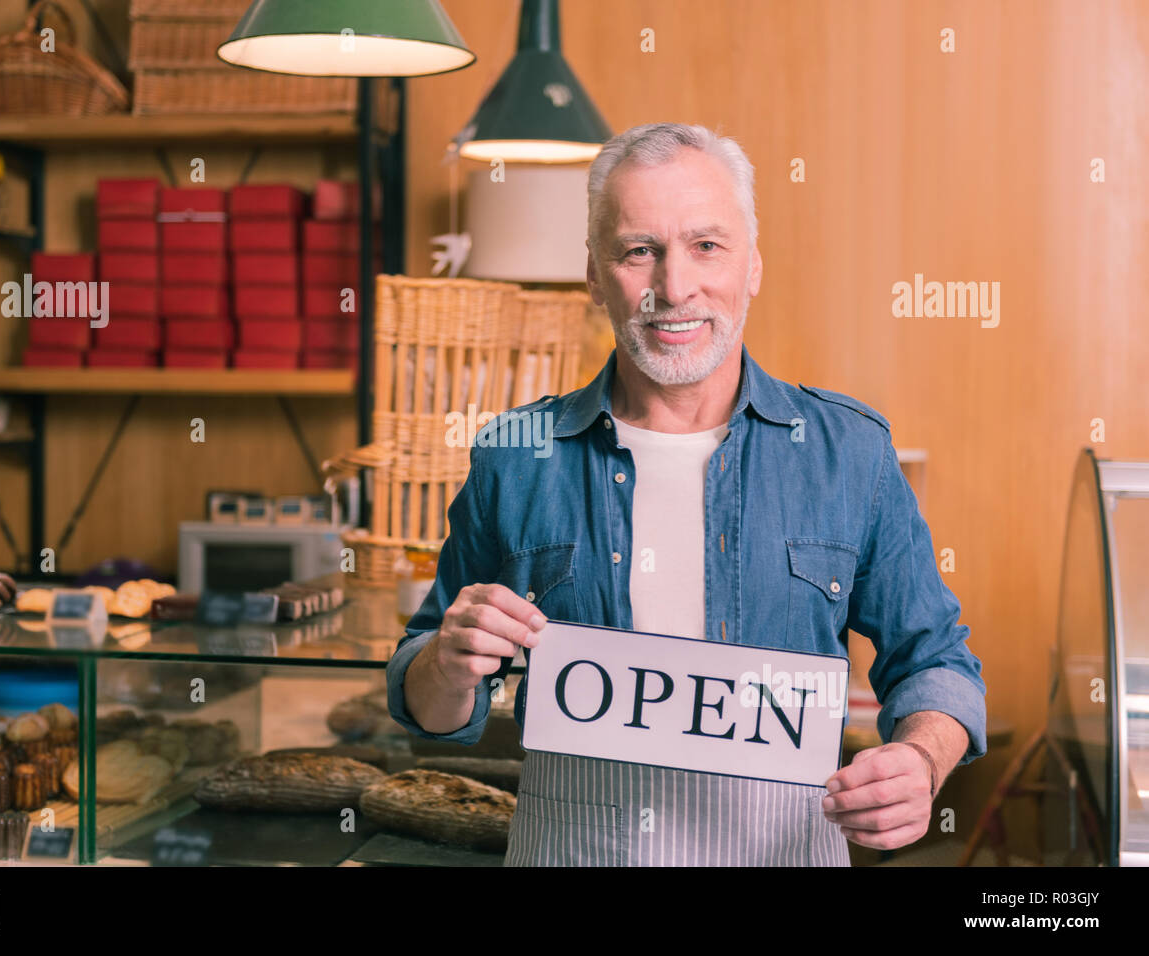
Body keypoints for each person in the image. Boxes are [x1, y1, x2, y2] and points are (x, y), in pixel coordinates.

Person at [386, 122, 986, 866]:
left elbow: (937, 663)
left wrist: (922, 762)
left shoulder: (851, 453)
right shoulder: (515, 458)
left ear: (754, 265)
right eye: (639, 251)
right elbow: (431, 709)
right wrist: (445, 664)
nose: (674, 287)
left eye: (707, 245)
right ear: (594, 274)